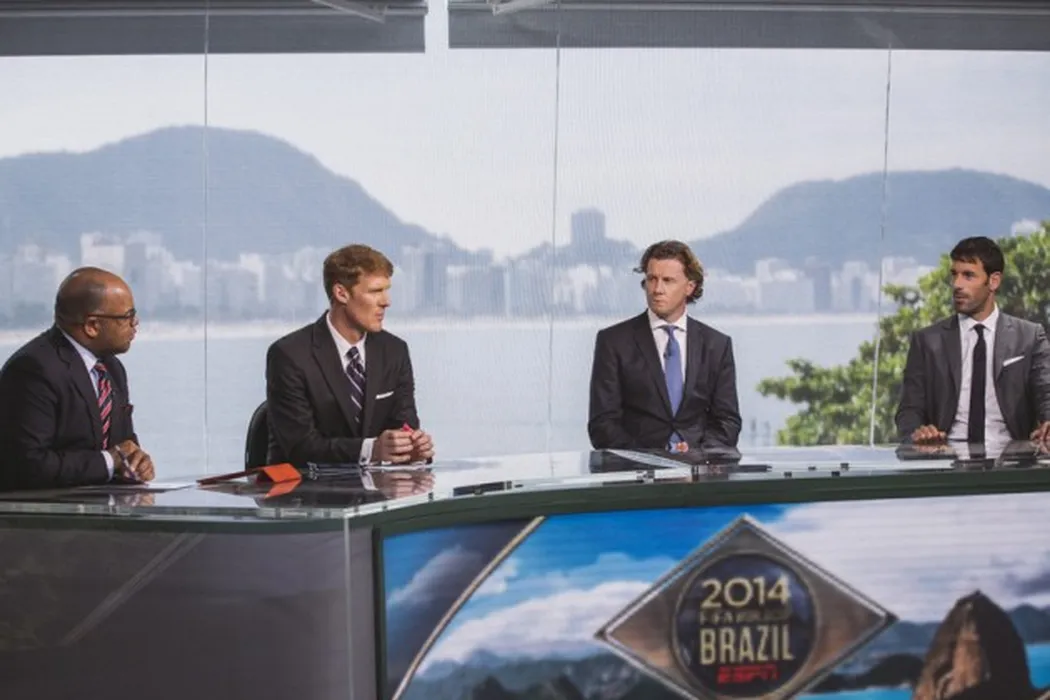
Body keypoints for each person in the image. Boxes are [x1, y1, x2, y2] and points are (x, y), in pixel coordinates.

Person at [266, 244, 434, 466]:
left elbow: (405, 426)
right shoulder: (289, 355)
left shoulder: (394, 351)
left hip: (377, 485)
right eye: (375, 291)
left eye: (386, 290)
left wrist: (413, 447)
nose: (386, 301)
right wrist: (371, 450)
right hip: (305, 485)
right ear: (341, 293)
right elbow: (300, 447)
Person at [0, 267, 155, 490]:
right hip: (46, 509)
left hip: (104, 504)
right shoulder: (32, 369)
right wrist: (109, 461)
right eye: (127, 317)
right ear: (92, 326)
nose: (135, 323)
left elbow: (123, 448)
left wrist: (137, 463)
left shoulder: (112, 368)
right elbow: (28, 464)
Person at [588, 240, 742, 451]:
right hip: (637, 466)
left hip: (699, 466)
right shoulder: (613, 341)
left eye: (668, 280)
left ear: (690, 287)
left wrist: (699, 457)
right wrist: (649, 458)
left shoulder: (717, 345)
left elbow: (727, 421)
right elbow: (602, 424)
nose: (657, 289)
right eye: (652, 279)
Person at [896, 236, 1050, 447]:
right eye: (954, 275)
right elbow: (909, 411)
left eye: (968, 275)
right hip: (945, 458)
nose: (957, 284)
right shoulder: (927, 341)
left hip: (1011, 458)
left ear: (993, 281)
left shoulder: (1029, 337)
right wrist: (917, 434)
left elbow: (1046, 393)